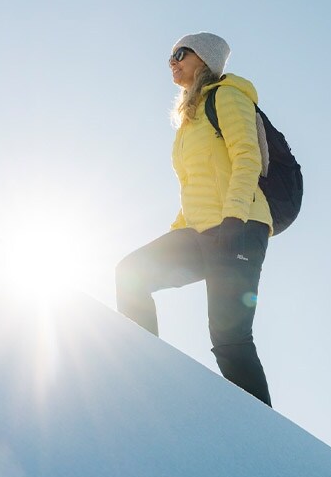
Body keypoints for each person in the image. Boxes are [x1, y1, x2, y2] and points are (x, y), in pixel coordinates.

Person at [116, 32, 273, 405]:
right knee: (131, 273)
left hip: (240, 227)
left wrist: (234, 217)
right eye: (169, 55)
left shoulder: (227, 96)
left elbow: (247, 157)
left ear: (204, 58)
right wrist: (176, 233)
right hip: (199, 231)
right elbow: (194, 186)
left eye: (180, 54)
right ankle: (143, 371)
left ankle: (264, 437)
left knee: (229, 340)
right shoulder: (190, 119)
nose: (172, 61)